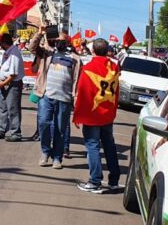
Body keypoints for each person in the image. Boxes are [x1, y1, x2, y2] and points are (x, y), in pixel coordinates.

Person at [74, 38, 121, 194]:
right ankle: (114, 180)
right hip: (107, 113)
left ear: (92, 51)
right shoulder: (114, 67)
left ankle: (95, 181)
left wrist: (77, 115)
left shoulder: (88, 69)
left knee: (92, 146)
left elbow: (82, 94)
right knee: (109, 145)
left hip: (93, 115)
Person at [30, 26, 79, 169]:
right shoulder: (48, 53)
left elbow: (76, 79)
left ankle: (57, 157)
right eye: (56, 40)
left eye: (61, 40)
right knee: (44, 123)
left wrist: (74, 97)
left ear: (68, 42)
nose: (58, 42)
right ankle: (45, 152)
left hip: (64, 99)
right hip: (46, 96)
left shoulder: (75, 59)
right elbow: (32, 47)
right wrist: (40, 33)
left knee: (60, 129)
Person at [0, 33, 23, 142]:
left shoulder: (14, 53)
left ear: (4, 43)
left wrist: (2, 84)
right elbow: (3, 67)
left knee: (13, 109)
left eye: (0, 43)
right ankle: (0, 130)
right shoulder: (7, 52)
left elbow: (13, 75)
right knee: (3, 108)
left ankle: (15, 133)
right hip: (5, 83)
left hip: (12, 84)